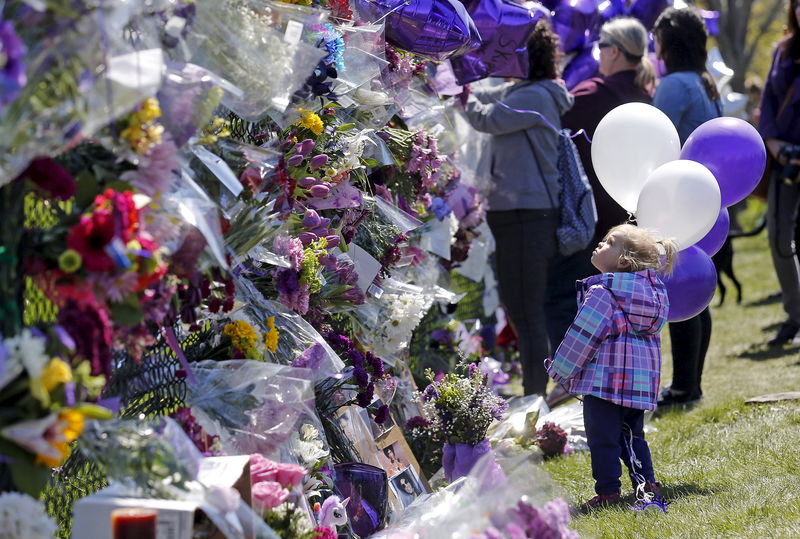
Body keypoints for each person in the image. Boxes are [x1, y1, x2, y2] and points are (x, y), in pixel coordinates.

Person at [461, 19, 574, 396]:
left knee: (526, 311)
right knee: (521, 307)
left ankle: (534, 398)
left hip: (528, 216)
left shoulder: (536, 96)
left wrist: (455, 81)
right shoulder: (527, 91)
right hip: (520, 214)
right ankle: (539, 391)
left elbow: (483, 117)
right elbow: (489, 100)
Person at [546, 17, 655, 396]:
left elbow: (548, 132)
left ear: (610, 51)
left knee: (568, 298)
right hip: (636, 227)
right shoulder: (646, 96)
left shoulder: (590, 95)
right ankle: (618, 381)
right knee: (628, 312)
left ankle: (570, 381)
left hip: (594, 227)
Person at [544, 224, 677, 509]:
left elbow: (583, 337)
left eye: (608, 242)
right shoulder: (654, 295)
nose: (600, 244)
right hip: (638, 384)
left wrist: (559, 369)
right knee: (631, 435)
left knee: (602, 439)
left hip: (604, 383)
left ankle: (608, 492)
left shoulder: (603, 293)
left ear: (623, 261)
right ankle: (646, 482)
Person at [652, 7, 721, 406]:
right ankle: (690, 384)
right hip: (706, 199)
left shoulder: (674, 84)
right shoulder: (703, 80)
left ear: (669, 42)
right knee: (697, 288)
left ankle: (682, 387)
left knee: (680, 291)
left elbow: (661, 140)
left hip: (678, 197)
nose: (654, 47)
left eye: (658, 39)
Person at [759, 0, 800, 345]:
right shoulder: (782, 50)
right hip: (783, 157)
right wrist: (772, 142)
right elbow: (769, 102)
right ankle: (795, 314)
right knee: (778, 237)